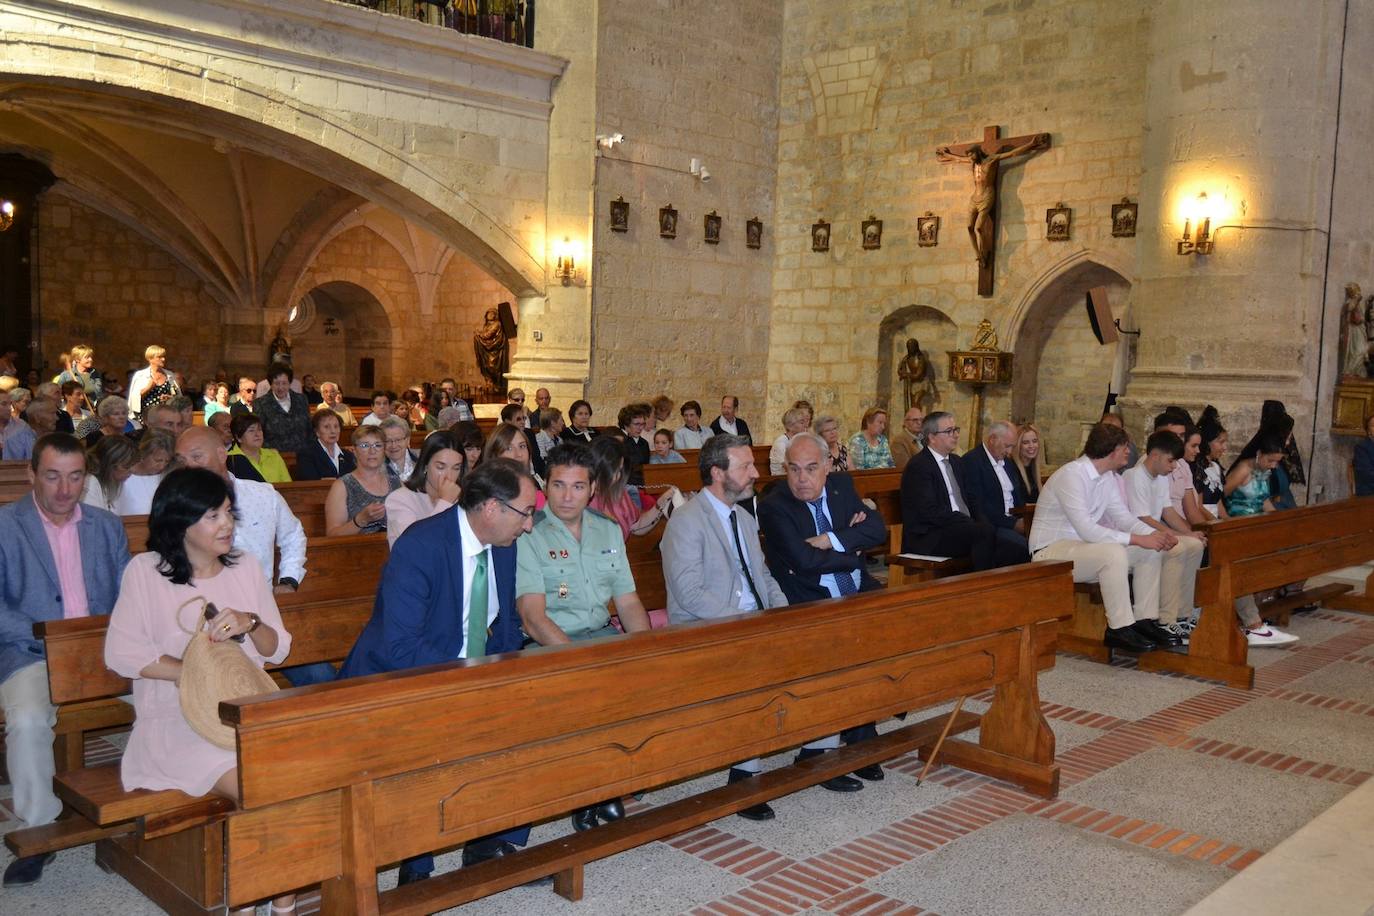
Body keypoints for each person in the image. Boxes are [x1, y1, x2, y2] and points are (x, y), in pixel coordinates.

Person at [103, 467, 296, 914]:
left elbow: (279, 649)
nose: (226, 524)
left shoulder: (245, 566)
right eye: (212, 516)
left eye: (228, 512)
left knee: (299, 776)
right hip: (177, 719)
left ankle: (279, 895)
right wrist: (198, 672)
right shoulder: (146, 572)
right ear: (180, 521)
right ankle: (255, 898)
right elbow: (123, 655)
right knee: (262, 786)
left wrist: (250, 621)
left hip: (245, 713)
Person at [339, 458, 538, 883]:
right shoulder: (422, 545)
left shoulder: (504, 545)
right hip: (393, 681)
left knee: (531, 716)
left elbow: (503, 626)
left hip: (465, 671)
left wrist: (506, 679)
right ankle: (415, 861)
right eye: (526, 513)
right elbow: (401, 647)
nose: (530, 526)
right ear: (490, 508)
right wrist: (472, 680)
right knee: (433, 738)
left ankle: (489, 842)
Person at [661, 434, 861, 818]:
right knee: (755, 667)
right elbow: (689, 595)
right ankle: (745, 775)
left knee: (824, 648)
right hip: (708, 630)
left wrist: (784, 615)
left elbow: (764, 577)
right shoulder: (687, 522)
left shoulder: (745, 518)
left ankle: (820, 750)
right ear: (718, 473)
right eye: (745, 466)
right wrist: (748, 624)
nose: (756, 473)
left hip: (754, 622)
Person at [0, 434, 129, 888]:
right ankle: (37, 829)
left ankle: (149, 809)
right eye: (52, 476)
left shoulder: (106, 526)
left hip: (103, 650)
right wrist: (51, 641)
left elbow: (124, 598)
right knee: (31, 719)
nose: (63, 489)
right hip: (31, 652)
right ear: (31, 473)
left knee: (175, 692)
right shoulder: (4, 525)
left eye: (75, 477)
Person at [514, 443, 652, 831]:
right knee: (587, 693)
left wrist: (646, 650)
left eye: (577, 487)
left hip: (603, 636)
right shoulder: (530, 533)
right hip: (549, 646)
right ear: (546, 484)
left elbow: (628, 602)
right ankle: (589, 792)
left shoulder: (607, 530)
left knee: (641, 683)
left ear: (593, 488)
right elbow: (533, 616)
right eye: (558, 485)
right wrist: (579, 661)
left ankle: (610, 783)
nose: (567, 496)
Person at [757, 431, 888, 781]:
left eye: (811, 468)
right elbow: (803, 560)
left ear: (828, 466)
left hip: (856, 592)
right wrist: (851, 552)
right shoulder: (774, 504)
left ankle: (860, 734)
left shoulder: (842, 487)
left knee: (893, 631)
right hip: (809, 600)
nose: (802, 479)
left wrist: (830, 539)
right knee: (843, 648)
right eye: (794, 469)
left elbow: (878, 530)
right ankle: (822, 749)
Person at [1028, 422, 1175, 653]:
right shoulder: (1072, 475)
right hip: (1050, 551)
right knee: (1112, 552)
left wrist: (1155, 535)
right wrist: (1137, 539)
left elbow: (1123, 517)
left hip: (1082, 549)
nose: (1129, 452)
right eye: (1125, 447)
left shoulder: (1106, 477)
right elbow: (1087, 529)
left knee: (1149, 550)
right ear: (1112, 449)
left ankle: (1145, 620)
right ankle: (1119, 628)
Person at [174, 428, 307, 594]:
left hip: (261, 598)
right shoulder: (177, 505)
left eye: (196, 457)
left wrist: (289, 579)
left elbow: (293, 535)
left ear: (222, 455)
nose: (188, 466)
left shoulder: (263, 495)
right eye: (181, 460)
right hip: (203, 602)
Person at [901, 412, 1026, 570]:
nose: (956, 435)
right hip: (931, 534)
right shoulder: (919, 466)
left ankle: (1004, 589)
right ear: (932, 437)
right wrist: (967, 522)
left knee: (1015, 548)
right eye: (949, 431)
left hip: (963, 528)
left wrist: (982, 521)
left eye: (956, 430)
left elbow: (972, 500)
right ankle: (980, 587)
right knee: (983, 534)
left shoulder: (956, 462)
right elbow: (928, 511)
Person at [1122, 431, 1206, 644]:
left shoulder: (1160, 477)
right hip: (1136, 536)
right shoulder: (1134, 476)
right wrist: (1172, 535)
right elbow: (1142, 518)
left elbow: (1168, 512)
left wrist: (1188, 533)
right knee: (1175, 548)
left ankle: (1183, 615)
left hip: (1153, 532)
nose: (1175, 466)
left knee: (1195, 545)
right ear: (1155, 456)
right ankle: (1165, 619)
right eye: (1171, 460)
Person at [1221, 435, 1301, 645]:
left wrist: (1280, 518)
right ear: (1258, 454)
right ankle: (1252, 621)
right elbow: (1220, 497)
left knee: (1292, 548)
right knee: (1249, 563)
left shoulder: (1262, 470)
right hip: (1238, 525)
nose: (1273, 466)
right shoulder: (1243, 470)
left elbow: (1263, 500)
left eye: (1277, 462)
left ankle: (1261, 606)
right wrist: (1228, 522)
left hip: (1257, 526)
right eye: (1270, 461)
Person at [385, 430, 464, 546]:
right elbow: (416, 546)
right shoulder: (399, 499)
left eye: (456, 468)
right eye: (440, 467)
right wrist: (445, 502)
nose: (449, 476)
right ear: (426, 465)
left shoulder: (460, 498)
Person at [961, 420, 1030, 552]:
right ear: (992, 439)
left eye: (1012, 447)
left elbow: (1017, 498)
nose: (1010, 451)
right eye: (1007, 446)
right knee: (1024, 548)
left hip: (1015, 521)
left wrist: (1025, 519)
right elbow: (978, 505)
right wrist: (1013, 524)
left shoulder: (1008, 464)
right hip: (993, 526)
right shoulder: (972, 462)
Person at [588, 436, 675, 539]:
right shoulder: (583, 498)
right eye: (614, 470)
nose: (618, 476)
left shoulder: (619, 492)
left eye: (620, 470)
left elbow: (637, 526)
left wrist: (660, 503)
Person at [325, 425, 398, 536]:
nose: (372, 451)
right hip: (357, 551)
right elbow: (332, 535)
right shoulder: (342, 486)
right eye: (365, 445)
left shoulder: (396, 483)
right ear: (354, 450)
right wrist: (361, 519)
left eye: (378, 445)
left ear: (384, 450)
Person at [252, 364, 311, 454]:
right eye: (276, 383)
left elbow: (309, 428)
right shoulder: (260, 404)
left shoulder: (301, 399)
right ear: (270, 384)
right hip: (274, 457)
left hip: (302, 456)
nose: (280, 388)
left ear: (289, 383)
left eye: (284, 383)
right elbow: (258, 434)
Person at [118, 430, 175, 515]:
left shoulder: (168, 476)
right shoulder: (122, 476)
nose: (162, 466)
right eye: (157, 460)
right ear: (144, 453)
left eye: (167, 461)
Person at [225, 413, 291, 484]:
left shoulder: (274, 455)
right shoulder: (229, 459)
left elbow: (288, 486)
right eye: (251, 430)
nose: (257, 434)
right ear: (238, 437)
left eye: (259, 429)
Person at [81, 434, 139, 513]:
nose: (131, 470)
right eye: (126, 467)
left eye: (131, 465)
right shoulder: (90, 483)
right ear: (110, 465)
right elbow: (96, 520)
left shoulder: (110, 480)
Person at [483, 422, 546, 495]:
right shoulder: (487, 493)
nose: (518, 454)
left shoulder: (534, 485)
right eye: (509, 448)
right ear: (494, 455)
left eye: (522, 446)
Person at [294, 408, 356, 480]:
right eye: (327, 427)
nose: (333, 431)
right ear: (317, 431)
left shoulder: (347, 455)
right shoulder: (306, 454)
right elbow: (310, 483)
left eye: (336, 426)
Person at [1192, 406, 1229, 515]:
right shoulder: (1196, 468)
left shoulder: (1215, 467)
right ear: (1207, 442)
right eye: (1221, 442)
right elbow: (1198, 507)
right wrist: (1216, 524)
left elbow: (1218, 504)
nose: (1225, 447)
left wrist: (1228, 522)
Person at [127, 345, 179, 421]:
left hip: (166, 417)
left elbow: (178, 396)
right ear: (150, 359)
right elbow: (134, 399)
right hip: (146, 417)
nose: (163, 359)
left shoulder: (169, 375)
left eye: (163, 356)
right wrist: (149, 388)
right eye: (159, 357)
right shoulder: (141, 376)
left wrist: (170, 398)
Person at [768, 407, 811, 474]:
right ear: (790, 426)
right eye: (801, 422)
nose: (805, 425)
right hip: (781, 480)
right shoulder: (780, 443)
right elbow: (789, 467)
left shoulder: (799, 441)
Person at [618, 403, 653, 486]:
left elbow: (646, 468)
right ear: (626, 425)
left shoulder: (644, 443)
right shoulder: (620, 442)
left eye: (643, 424)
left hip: (642, 484)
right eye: (637, 424)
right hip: (624, 485)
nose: (641, 428)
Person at [1011, 423, 1044, 502]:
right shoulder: (1012, 469)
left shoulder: (1033, 469)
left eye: (1034, 441)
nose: (1031, 446)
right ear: (1018, 445)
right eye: (1026, 442)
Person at [0, 388, 35, 460]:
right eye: (4, 404)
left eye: (10, 404)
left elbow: (31, 459)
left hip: (18, 470)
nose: (9, 408)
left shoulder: (22, 427)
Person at [380, 415, 418, 480]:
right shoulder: (376, 466)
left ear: (407, 440)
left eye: (398, 440)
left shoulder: (421, 459)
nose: (393, 445)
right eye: (388, 441)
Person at [890, 406, 924, 470]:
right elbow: (905, 468)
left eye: (921, 420)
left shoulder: (926, 438)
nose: (919, 423)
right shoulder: (899, 441)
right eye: (915, 420)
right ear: (905, 422)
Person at [1355, 413, 1374, 497]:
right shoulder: (1361, 448)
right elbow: (1367, 474)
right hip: (1369, 492)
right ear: (1368, 430)